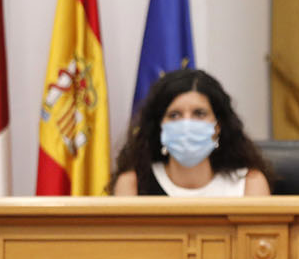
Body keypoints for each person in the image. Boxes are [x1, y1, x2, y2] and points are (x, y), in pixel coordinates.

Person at [110, 68, 271, 196]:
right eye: (174, 115)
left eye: (199, 113)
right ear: (159, 126)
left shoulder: (249, 184)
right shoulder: (133, 185)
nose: (186, 124)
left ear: (218, 125)